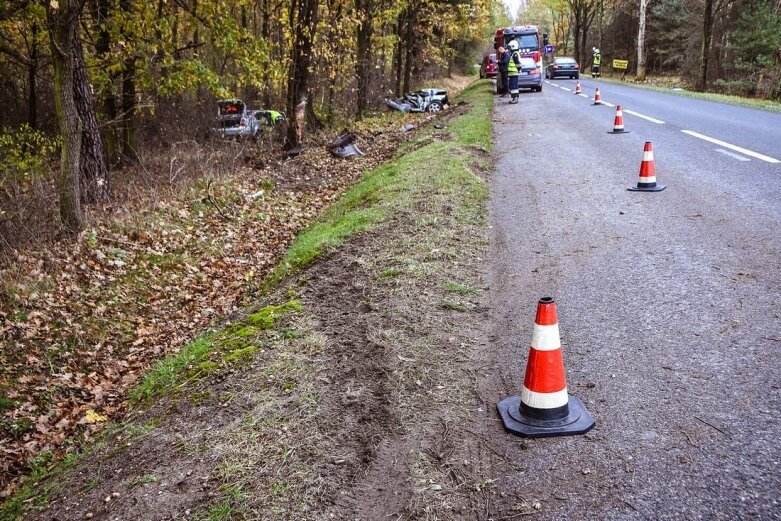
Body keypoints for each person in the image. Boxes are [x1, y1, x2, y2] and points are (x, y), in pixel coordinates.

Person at [506, 40, 523, 104]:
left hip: (514, 73)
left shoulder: (515, 54)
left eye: (510, 47)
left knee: (513, 85)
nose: (509, 49)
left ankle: (515, 98)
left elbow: (517, 63)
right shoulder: (513, 54)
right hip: (512, 73)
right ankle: (514, 98)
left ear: (513, 47)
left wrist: (518, 70)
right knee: (512, 85)